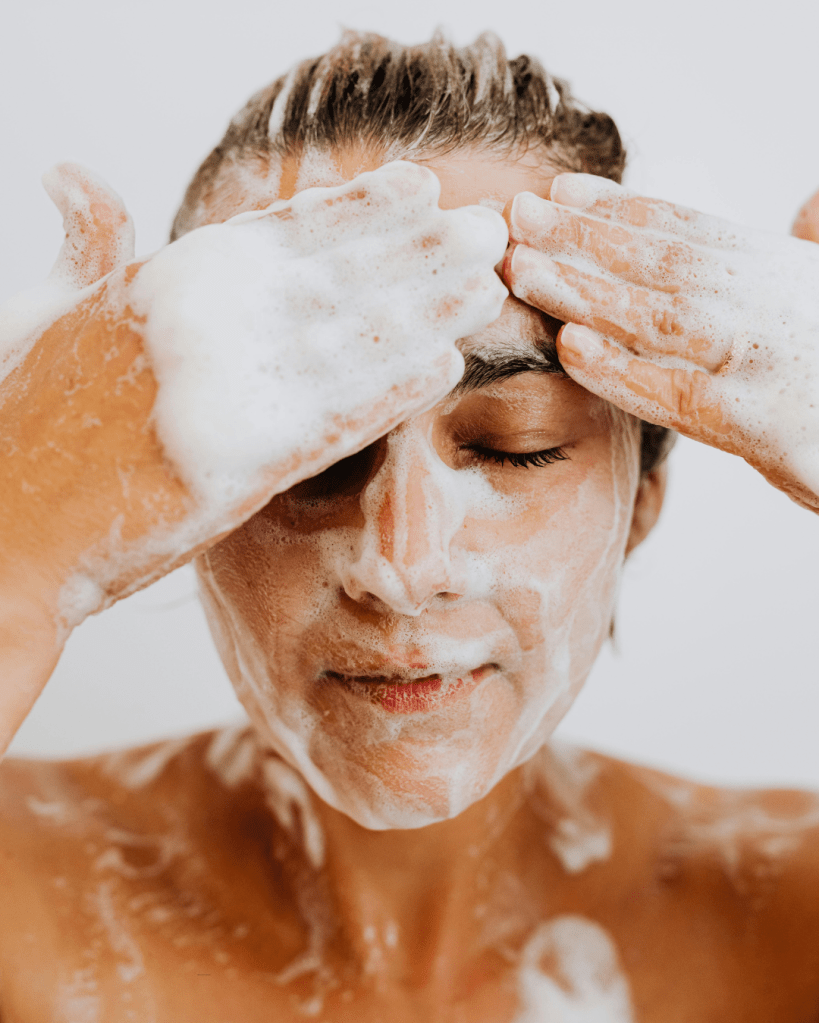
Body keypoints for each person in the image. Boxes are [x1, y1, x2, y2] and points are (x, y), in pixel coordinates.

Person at [1, 29, 818, 1021]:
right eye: (311, 454)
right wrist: (19, 540)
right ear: (182, 506)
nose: (403, 565)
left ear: (641, 498)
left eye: (515, 444)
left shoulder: (786, 920)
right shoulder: (24, 915)